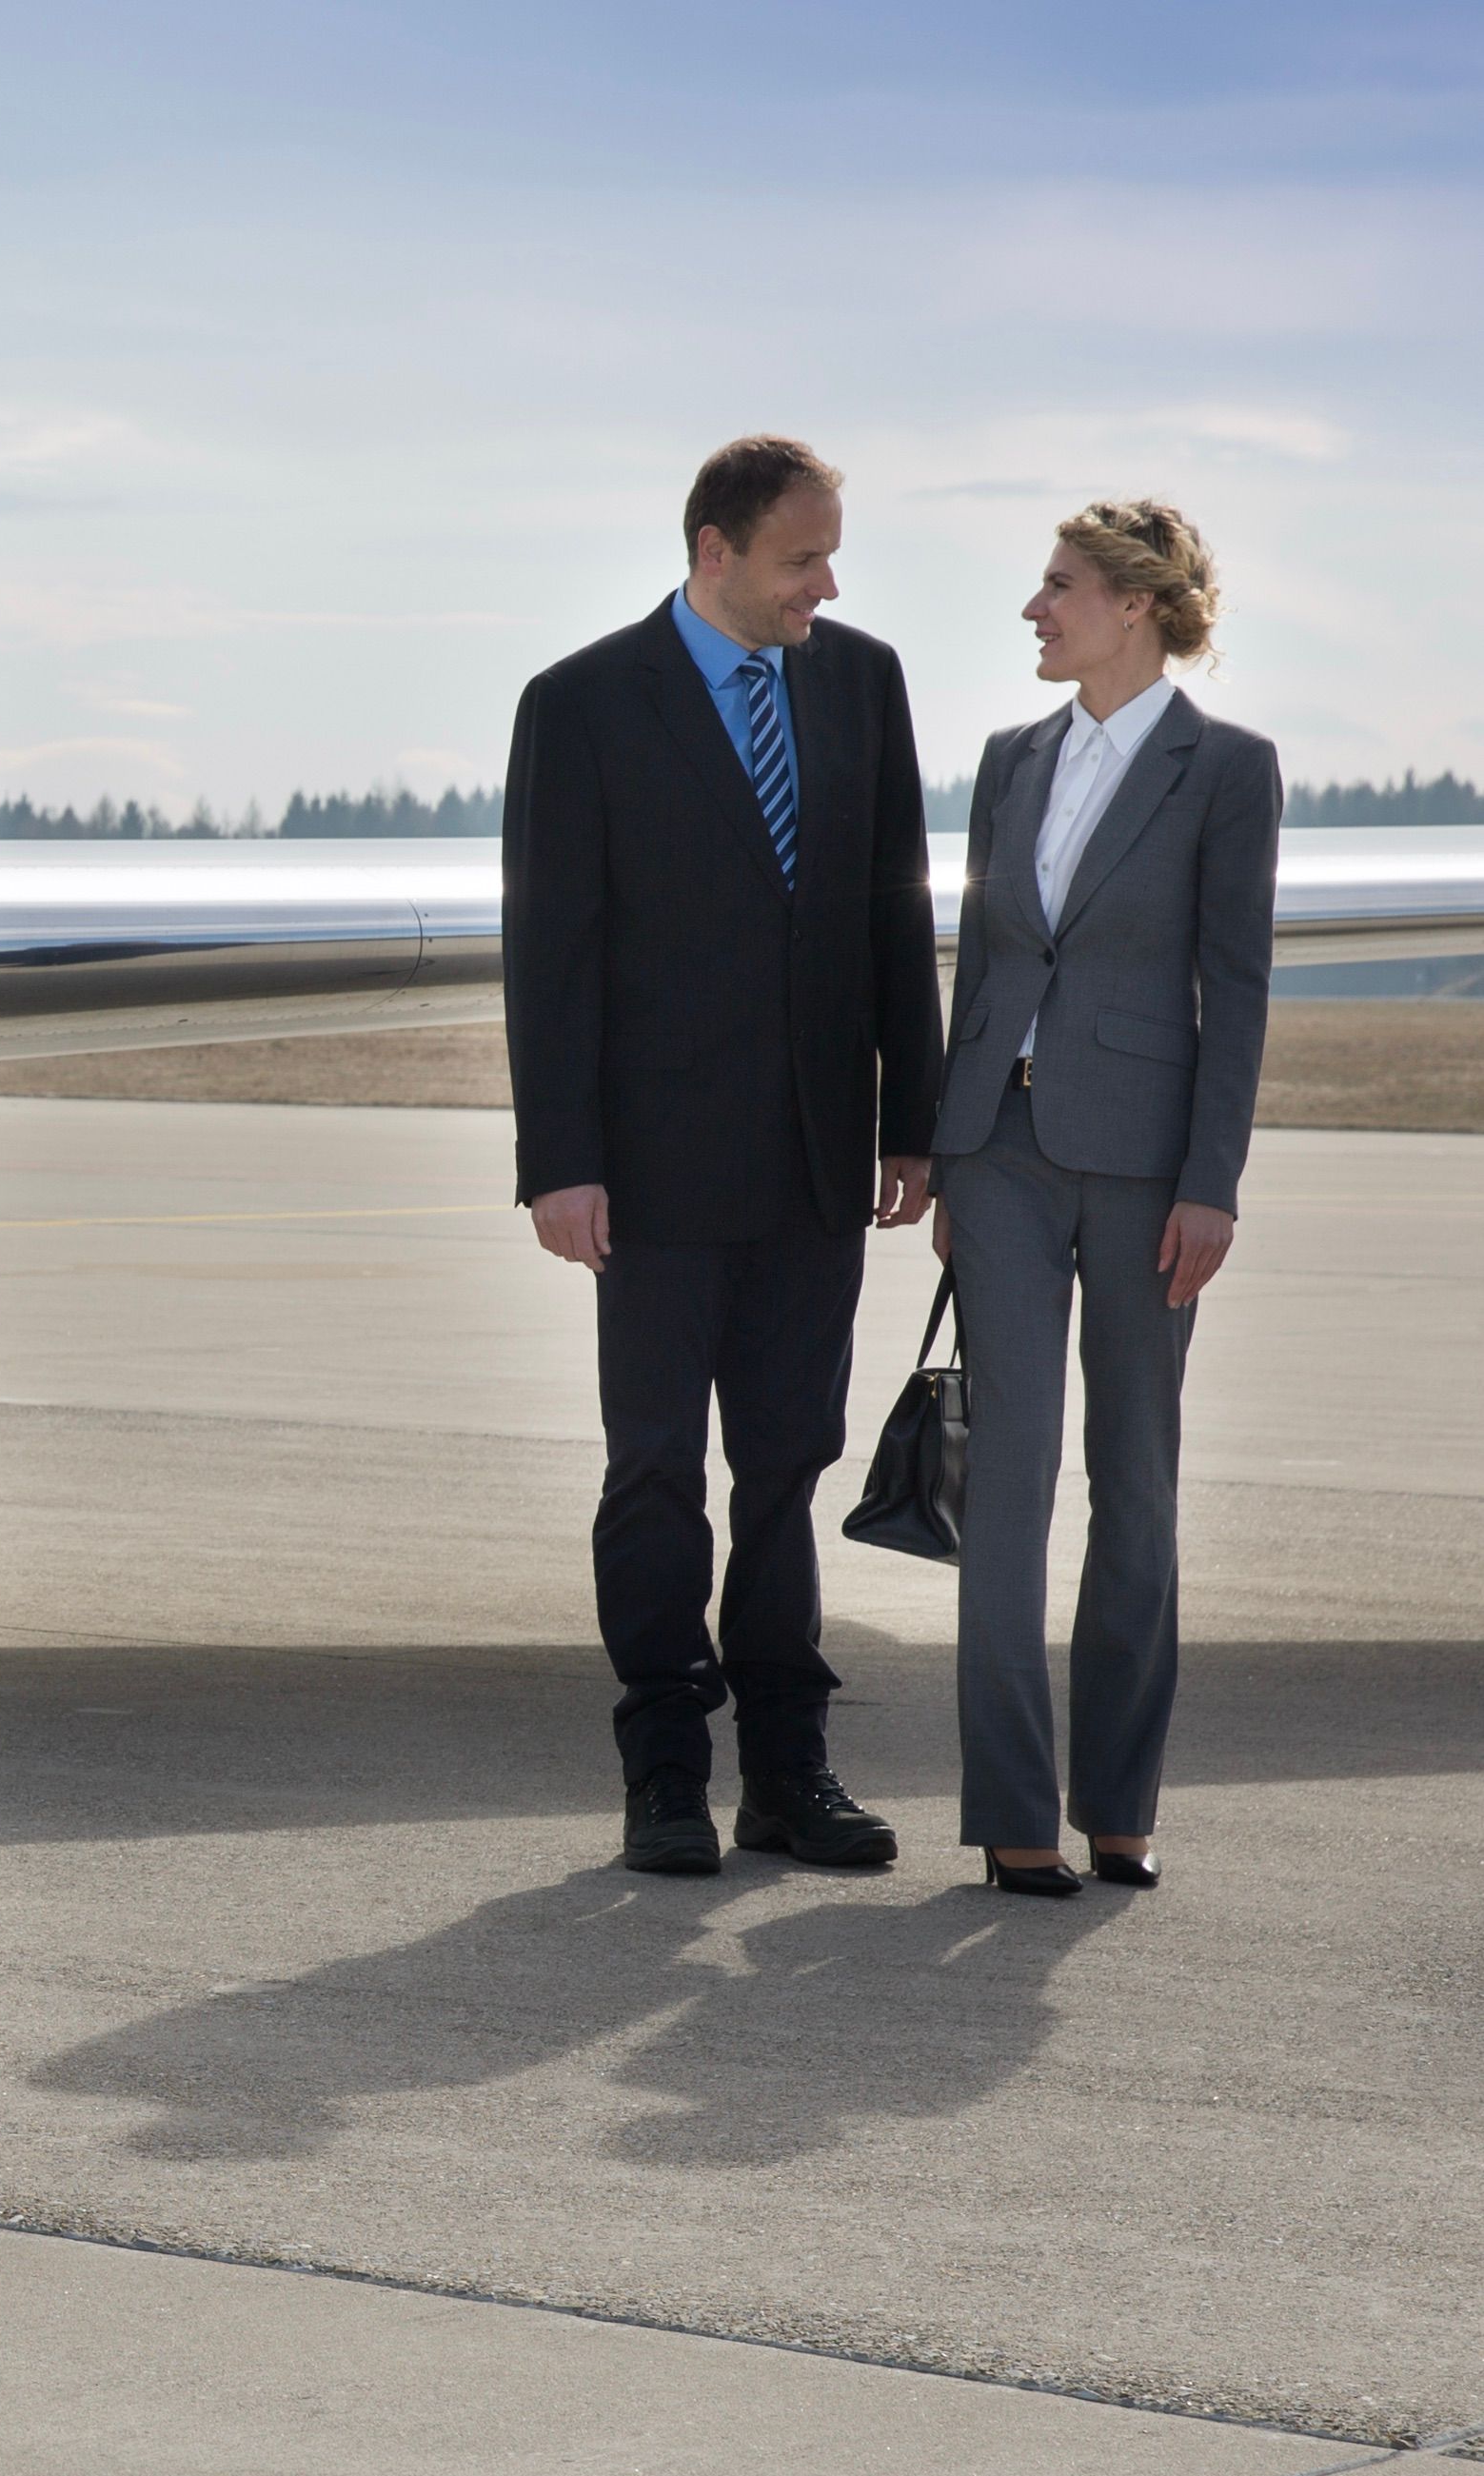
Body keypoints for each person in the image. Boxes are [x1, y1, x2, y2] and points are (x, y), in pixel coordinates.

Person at [504, 436, 942, 1879]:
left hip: (815, 1165)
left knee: (783, 1468)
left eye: (830, 554)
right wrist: (560, 1159)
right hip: (649, 1175)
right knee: (652, 1475)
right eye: (800, 557)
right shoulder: (576, 706)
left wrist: (910, 1119)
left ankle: (787, 1773)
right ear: (713, 553)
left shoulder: (857, 679)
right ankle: (662, 1773)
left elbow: (894, 910)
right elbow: (548, 955)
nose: (825, 582)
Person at [927, 503, 1274, 1896]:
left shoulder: (1223, 768)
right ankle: (1012, 1811)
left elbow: (1233, 988)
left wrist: (1211, 1184)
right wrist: (949, 1149)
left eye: (1057, 586)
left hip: (1145, 1170)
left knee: (1135, 1480)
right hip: (999, 1155)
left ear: (1132, 604)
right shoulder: (1009, 762)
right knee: (1006, 1483)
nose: (1033, 608)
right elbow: (978, 961)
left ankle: (1118, 1798)